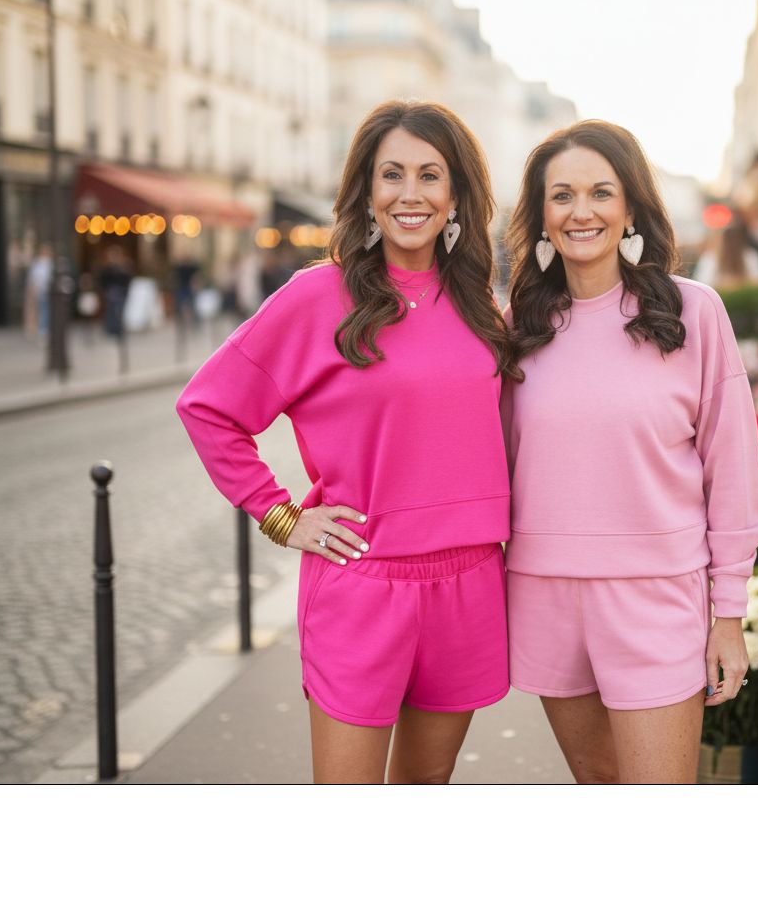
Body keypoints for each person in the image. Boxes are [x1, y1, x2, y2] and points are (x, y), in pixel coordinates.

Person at [176, 100, 518, 784]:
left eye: (430, 175)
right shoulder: (317, 297)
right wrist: (281, 517)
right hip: (364, 586)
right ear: (366, 192)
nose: (411, 193)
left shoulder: (484, 309)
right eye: (392, 174)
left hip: (472, 585)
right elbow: (208, 408)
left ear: (456, 195)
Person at [502, 120, 758, 784]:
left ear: (629, 208)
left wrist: (728, 614)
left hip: (657, 596)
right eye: (561, 195)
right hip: (543, 594)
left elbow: (733, 470)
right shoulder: (514, 330)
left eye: (600, 192)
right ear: (541, 215)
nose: (581, 211)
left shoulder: (692, 313)